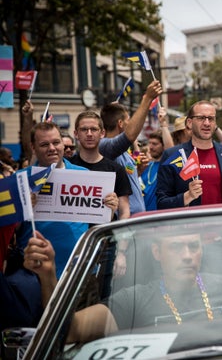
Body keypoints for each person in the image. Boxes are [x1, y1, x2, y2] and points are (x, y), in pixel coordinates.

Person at [23, 230, 222, 343]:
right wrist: (48, 277)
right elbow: (70, 331)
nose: (188, 255)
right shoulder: (135, 300)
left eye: (194, 246)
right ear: (157, 253)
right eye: (176, 247)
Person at [16, 122, 118, 278]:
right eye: (44, 144)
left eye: (56, 142)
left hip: (78, 273)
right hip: (34, 273)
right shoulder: (19, 180)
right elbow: (8, 231)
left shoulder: (85, 175)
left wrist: (110, 209)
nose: (52, 148)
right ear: (33, 147)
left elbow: (100, 222)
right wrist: (21, 209)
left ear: (63, 145)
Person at [156, 101, 222, 208]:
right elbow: (161, 203)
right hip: (190, 223)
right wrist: (187, 196)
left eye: (211, 118)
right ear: (189, 123)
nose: (206, 123)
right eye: (201, 118)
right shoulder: (173, 155)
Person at [99, 80, 163, 215]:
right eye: (128, 120)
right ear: (120, 123)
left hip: (136, 218)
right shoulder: (105, 146)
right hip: (122, 221)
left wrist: (138, 171)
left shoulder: (123, 152)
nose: (131, 123)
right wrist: (147, 98)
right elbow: (130, 135)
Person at [70, 111, 132, 221]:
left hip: (105, 234)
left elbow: (125, 211)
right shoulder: (67, 167)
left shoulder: (116, 170)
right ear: (76, 134)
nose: (89, 134)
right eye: (84, 129)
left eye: (94, 129)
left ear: (102, 133)